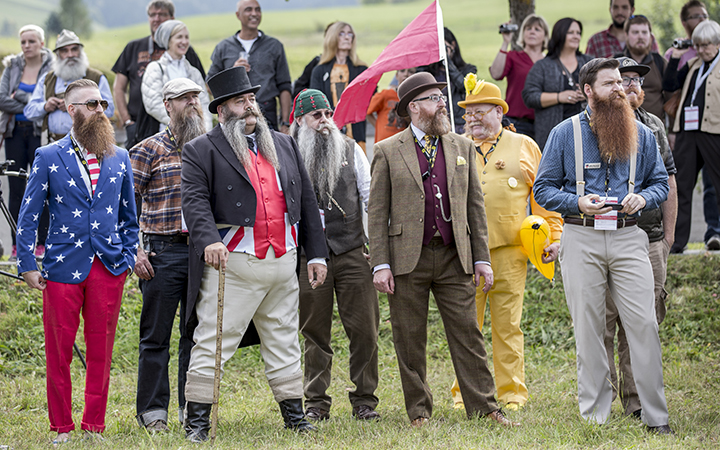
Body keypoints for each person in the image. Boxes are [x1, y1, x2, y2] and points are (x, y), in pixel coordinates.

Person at [180, 67, 328, 442]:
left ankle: (294, 416)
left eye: (250, 100)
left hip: (283, 260)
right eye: (238, 101)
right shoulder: (202, 150)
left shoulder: (283, 142)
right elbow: (194, 201)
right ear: (221, 110)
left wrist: (316, 254)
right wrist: (208, 238)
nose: (249, 107)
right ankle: (197, 422)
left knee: (284, 339)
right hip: (234, 263)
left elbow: (305, 199)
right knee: (214, 339)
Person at [368, 71, 518, 428]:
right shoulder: (387, 150)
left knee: (468, 333)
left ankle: (484, 406)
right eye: (434, 98)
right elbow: (376, 213)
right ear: (415, 107)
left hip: (455, 255)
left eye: (441, 96)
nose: (442, 103)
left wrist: (481, 258)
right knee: (409, 338)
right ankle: (419, 411)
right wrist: (380, 265)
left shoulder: (461, 146)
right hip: (407, 257)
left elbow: (475, 208)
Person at [534, 58, 672, 434]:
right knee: (589, 327)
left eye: (621, 82)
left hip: (630, 237)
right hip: (581, 236)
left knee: (644, 324)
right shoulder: (564, 134)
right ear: (587, 91)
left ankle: (654, 416)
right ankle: (596, 415)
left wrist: (642, 199)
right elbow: (542, 188)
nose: (620, 89)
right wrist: (575, 203)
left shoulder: (642, 134)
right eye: (610, 83)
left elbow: (661, 183)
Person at [16, 79, 139, 445]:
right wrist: (28, 264)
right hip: (61, 267)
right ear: (71, 111)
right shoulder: (48, 156)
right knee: (59, 352)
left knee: (101, 351)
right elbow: (28, 216)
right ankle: (61, 428)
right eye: (90, 104)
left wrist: (128, 257)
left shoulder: (120, 157)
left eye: (102, 102)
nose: (100, 109)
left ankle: (94, 426)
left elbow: (130, 216)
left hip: (109, 267)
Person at [449, 77, 563, 411]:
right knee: (466, 328)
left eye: (480, 112)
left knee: (508, 326)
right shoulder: (455, 145)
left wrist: (554, 236)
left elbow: (544, 198)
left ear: (499, 112)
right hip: (464, 254)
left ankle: (512, 392)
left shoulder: (524, 145)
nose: (473, 119)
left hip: (510, 252)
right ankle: (464, 393)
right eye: (468, 114)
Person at [288, 89, 380, 422]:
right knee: (314, 333)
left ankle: (365, 400)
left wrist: (376, 246)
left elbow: (370, 197)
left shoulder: (352, 148)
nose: (326, 122)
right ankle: (316, 402)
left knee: (365, 330)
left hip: (353, 252)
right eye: (317, 116)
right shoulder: (287, 154)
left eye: (328, 114)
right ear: (300, 120)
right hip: (308, 258)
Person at [130, 78, 209, 431]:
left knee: (195, 335)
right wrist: (135, 250)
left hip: (201, 252)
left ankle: (189, 410)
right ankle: (152, 412)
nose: (192, 103)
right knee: (155, 337)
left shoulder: (211, 148)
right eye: (183, 98)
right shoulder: (148, 149)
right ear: (167, 105)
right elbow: (123, 205)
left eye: (195, 96)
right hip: (161, 252)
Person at [605, 56, 678, 419]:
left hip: (648, 238)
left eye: (636, 79)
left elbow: (669, 182)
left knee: (645, 320)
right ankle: (600, 401)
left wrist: (668, 237)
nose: (630, 84)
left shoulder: (654, 128)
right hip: (605, 237)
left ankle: (636, 401)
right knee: (603, 320)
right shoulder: (594, 125)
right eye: (623, 78)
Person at [663, 1, 720, 252]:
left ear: (717, 43)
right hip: (688, 131)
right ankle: (677, 240)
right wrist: (676, 58)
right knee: (680, 184)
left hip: (714, 131)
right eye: (698, 45)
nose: (702, 50)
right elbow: (670, 83)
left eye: (706, 45)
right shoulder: (694, 64)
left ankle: (715, 233)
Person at [112, 0, 205, 148]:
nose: (156, 19)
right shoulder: (134, 48)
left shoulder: (188, 54)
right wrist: (127, 122)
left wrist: (202, 126)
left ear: (172, 18)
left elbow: (202, 94)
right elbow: (119, 88)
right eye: (152, 15)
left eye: (162, 14)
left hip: (189, 130)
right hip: (145, 127)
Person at [0, 24, 53, 259]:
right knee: (15, 190)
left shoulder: (51, 67)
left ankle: (41, 244)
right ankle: (16, 245)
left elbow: (50, 100)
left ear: (41, 43)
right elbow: (2, 100)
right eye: (23, 42)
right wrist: (34, 105)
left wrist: (21, 99)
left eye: (31, 41)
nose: (27, 46)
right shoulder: (11, 66)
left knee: (41, 187)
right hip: (14, 133)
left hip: (38, 134)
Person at [207, 0, 292, 133]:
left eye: (257, 10)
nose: (254, 13)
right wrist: (231, 74)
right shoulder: (223, 47)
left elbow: (285, 86)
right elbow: (210, 86)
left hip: (267, 114)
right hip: (234, 116)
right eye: (248, 10)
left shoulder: (274, 46)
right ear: (238, 15)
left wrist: (285, 123)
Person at [24, 30, 114, 143]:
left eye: (74, 49)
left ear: (80, 51)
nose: (70, 55)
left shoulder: (96, 77)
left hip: (88, 144)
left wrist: (77, 107)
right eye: (64, 51)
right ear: (58, 55)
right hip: (53, 143)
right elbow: (29, 111)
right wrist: (45, 106)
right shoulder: (47, 79)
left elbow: (109, 110)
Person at [522, 18, 592, 150]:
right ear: (560, 34)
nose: (576, 36)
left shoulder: (589, 63)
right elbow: (529, 96)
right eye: (571, 32)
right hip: (553, 135)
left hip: (587, 135)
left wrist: (588, 93)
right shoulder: (543, 66)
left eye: (578, 32)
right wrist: (560, 97)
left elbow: (606, 88)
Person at [140, 20, 213, 133]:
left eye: (186, 37)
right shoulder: (155, 69)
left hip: (195, 134)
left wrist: (205, 132)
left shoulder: (193, 72)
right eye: (179, 37)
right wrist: (181, 123)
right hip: (165, 133)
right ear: (168, 40)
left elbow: (203, 104)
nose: (184, 41)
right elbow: (153, 104)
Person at [489, 14, 550, 139]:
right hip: (516, 122)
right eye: (528, 29)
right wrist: (505, 43)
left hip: (544, 122)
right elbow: (496, 74)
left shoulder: (551, 61)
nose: (532, 32)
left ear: (545, 36)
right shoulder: (514, 56)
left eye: (537, 29)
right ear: (523, 34)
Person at [310, 22, 368, 151]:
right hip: (329, 135)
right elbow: (316, 105)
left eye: (350, 34)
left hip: (356, 134)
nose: (347, 37)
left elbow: (370, 99)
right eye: (342, 34)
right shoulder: (319, 70)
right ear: (332, 37)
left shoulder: (361, 70)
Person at [416, 28, 477, 134]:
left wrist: (447, 62)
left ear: (453, 45)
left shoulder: (468, 70)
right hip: (435, 123)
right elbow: (418, 84)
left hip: (458, 124)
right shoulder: (431, 72)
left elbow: (464, 87)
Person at [613, 15, 667, 121]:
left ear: (650, 36)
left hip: (654, 127)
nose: (640, 37)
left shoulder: (660, 62)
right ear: (626, 35)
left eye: (644, 32)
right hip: (620, 124)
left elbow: (671, 96)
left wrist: (673, 130)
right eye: (635, 32)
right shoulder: (614, 63)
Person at [585, 0, 659, 58]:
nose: (620, 12)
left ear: (632, 10)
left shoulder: (647, 38)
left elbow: (656, 67)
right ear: (610, 9)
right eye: (615, 7)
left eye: (624, 7)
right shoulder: (596, 41)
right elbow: (588, 73)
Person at [366, 68, 414, 143]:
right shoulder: (386, 94)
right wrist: (379, 127)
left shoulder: (414, 99)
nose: (406, 74)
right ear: (396, 76)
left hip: (403, 143)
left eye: (411, 71)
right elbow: (367, 111)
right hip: (384, 143)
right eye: (402, 71)